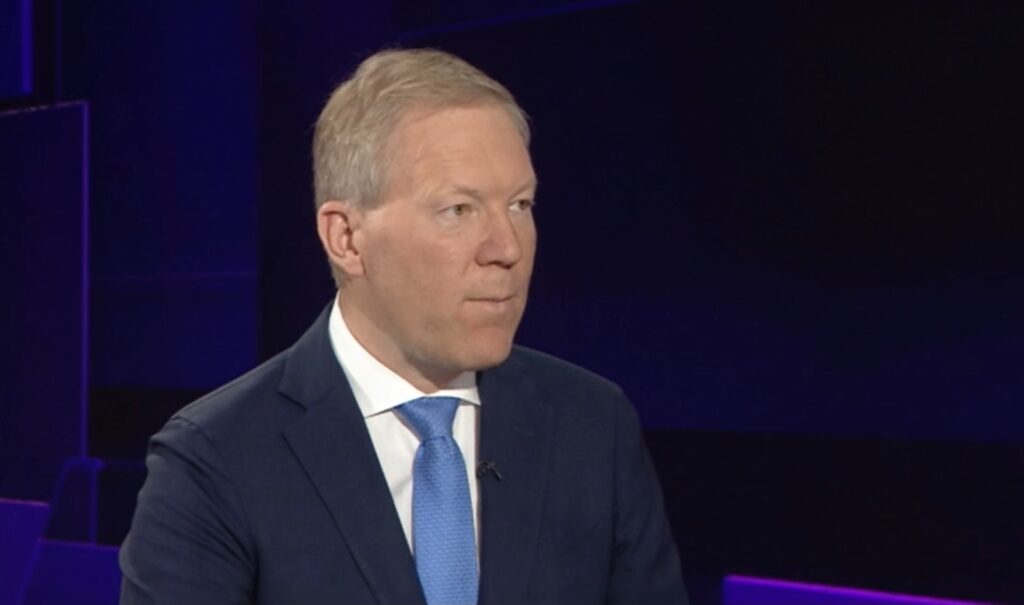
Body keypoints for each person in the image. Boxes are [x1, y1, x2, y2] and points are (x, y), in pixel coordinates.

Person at [119, 48, 688, 605]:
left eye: (520, 205)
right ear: (346, 238)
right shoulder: (217, 459)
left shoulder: (593, 427)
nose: (507, 248)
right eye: (458, 210)